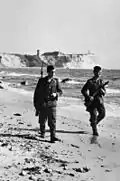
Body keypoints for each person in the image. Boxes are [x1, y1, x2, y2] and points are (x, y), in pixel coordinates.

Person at [33, 65, 63, 143]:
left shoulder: (56, 81)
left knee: (52, 121)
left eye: (54, 72)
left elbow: (60, 92)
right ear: (48, 72)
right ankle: (42, 133)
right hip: (43, 104)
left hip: (52, 104)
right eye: (52, 72)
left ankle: (53, 137)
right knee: (42, 120)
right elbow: (36, 94)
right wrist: (36, 106)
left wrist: (56, 94)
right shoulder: (41, 81)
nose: (53, 73)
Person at [81, 66, 107, 136]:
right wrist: (88, 97)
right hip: (92, 102)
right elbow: (83, 90)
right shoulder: (90, 81)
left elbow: (104, 92)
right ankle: (95, 131)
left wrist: (102, 90)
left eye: (100, 72)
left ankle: (93, 123)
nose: (99, 73)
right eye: (97, 72)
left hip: (100, 101)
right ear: (94, 72)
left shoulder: (101, 81)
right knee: (94, 116)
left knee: (102, 114)